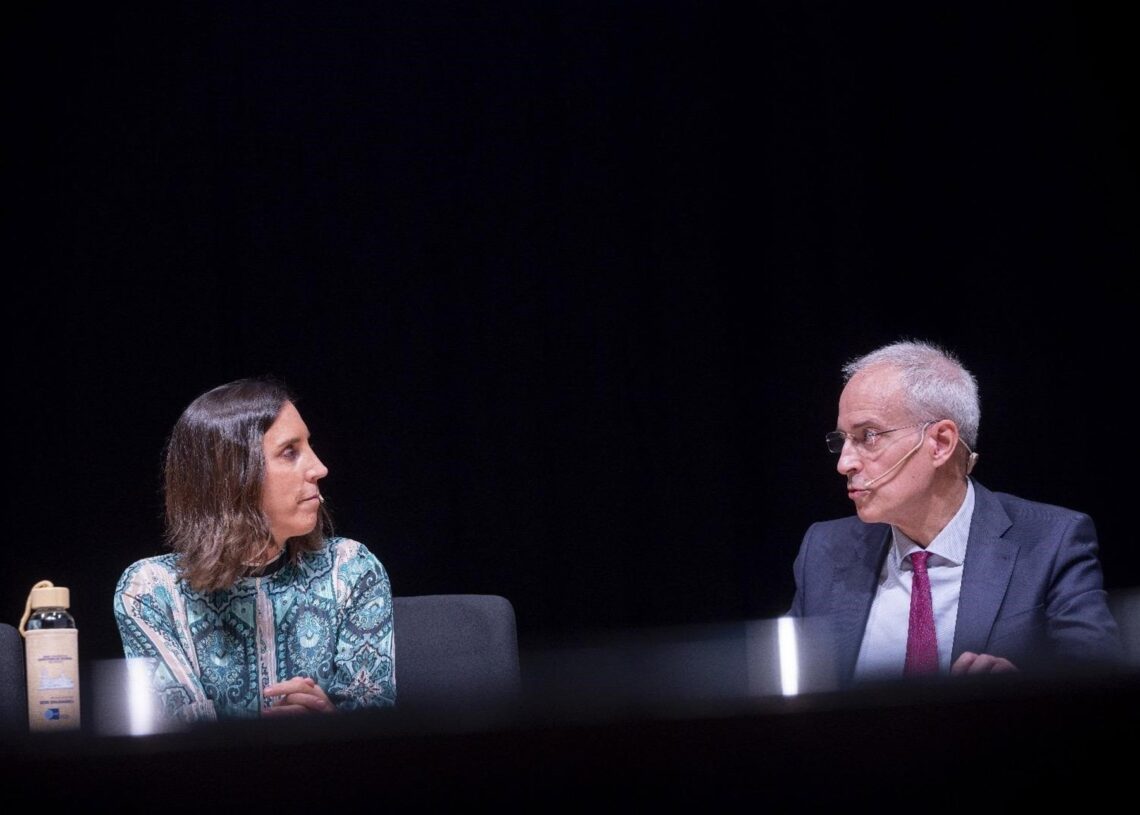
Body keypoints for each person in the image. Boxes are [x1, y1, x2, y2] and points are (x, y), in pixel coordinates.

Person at [788, 339, 1123, 686]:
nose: (844, 463)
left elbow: (1101, 688)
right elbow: (792, 694)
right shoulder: (824, 551)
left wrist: (1024, 695)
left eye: (868, 436)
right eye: (841, 440)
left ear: (941, 443)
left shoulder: (1052, 542)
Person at [113, 377, 396, 722]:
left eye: (309, 447)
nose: (320, 468)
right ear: (233, 474)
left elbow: (378, 742)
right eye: (290, 452)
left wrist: (330, 723)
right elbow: (183, 752)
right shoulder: (151, 592)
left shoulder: (350, 570)